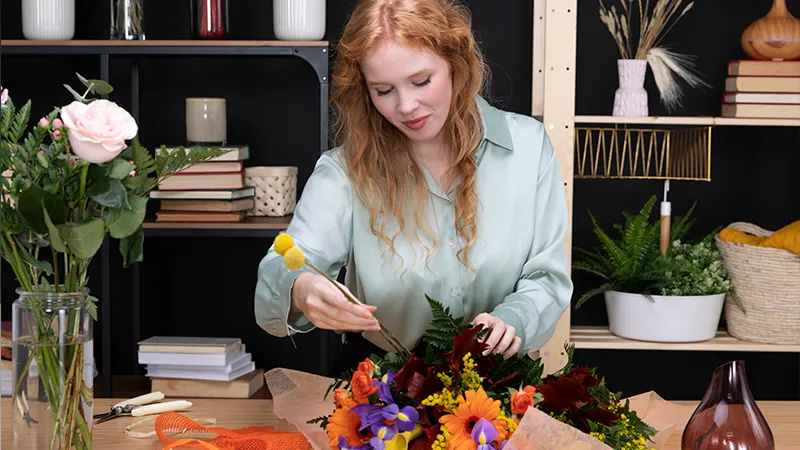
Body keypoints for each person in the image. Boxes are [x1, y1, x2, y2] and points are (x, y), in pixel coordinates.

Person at [254, 0, 573, 373]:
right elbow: (281, 269)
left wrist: (514, 319)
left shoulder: (529, 148)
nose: (406, 106)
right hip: (378, 401)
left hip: (497, 392)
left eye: (421, 82)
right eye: (383, 90)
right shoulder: (344, 170)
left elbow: (547, 278)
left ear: (456, 64)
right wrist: (302, 288)